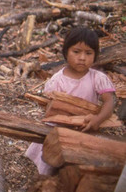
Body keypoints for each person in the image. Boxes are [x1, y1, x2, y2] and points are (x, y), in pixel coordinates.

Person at [25, 26, 116, 175]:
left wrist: (98, 120)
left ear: (95, 55)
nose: (82, 58)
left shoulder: (97, 78)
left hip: (85, 126)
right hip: (58, 128)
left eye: (88, 53)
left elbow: (109, 101)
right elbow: (50, 107)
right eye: (76, 51)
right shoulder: (58, 80)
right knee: (51, 161)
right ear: (66, 52)